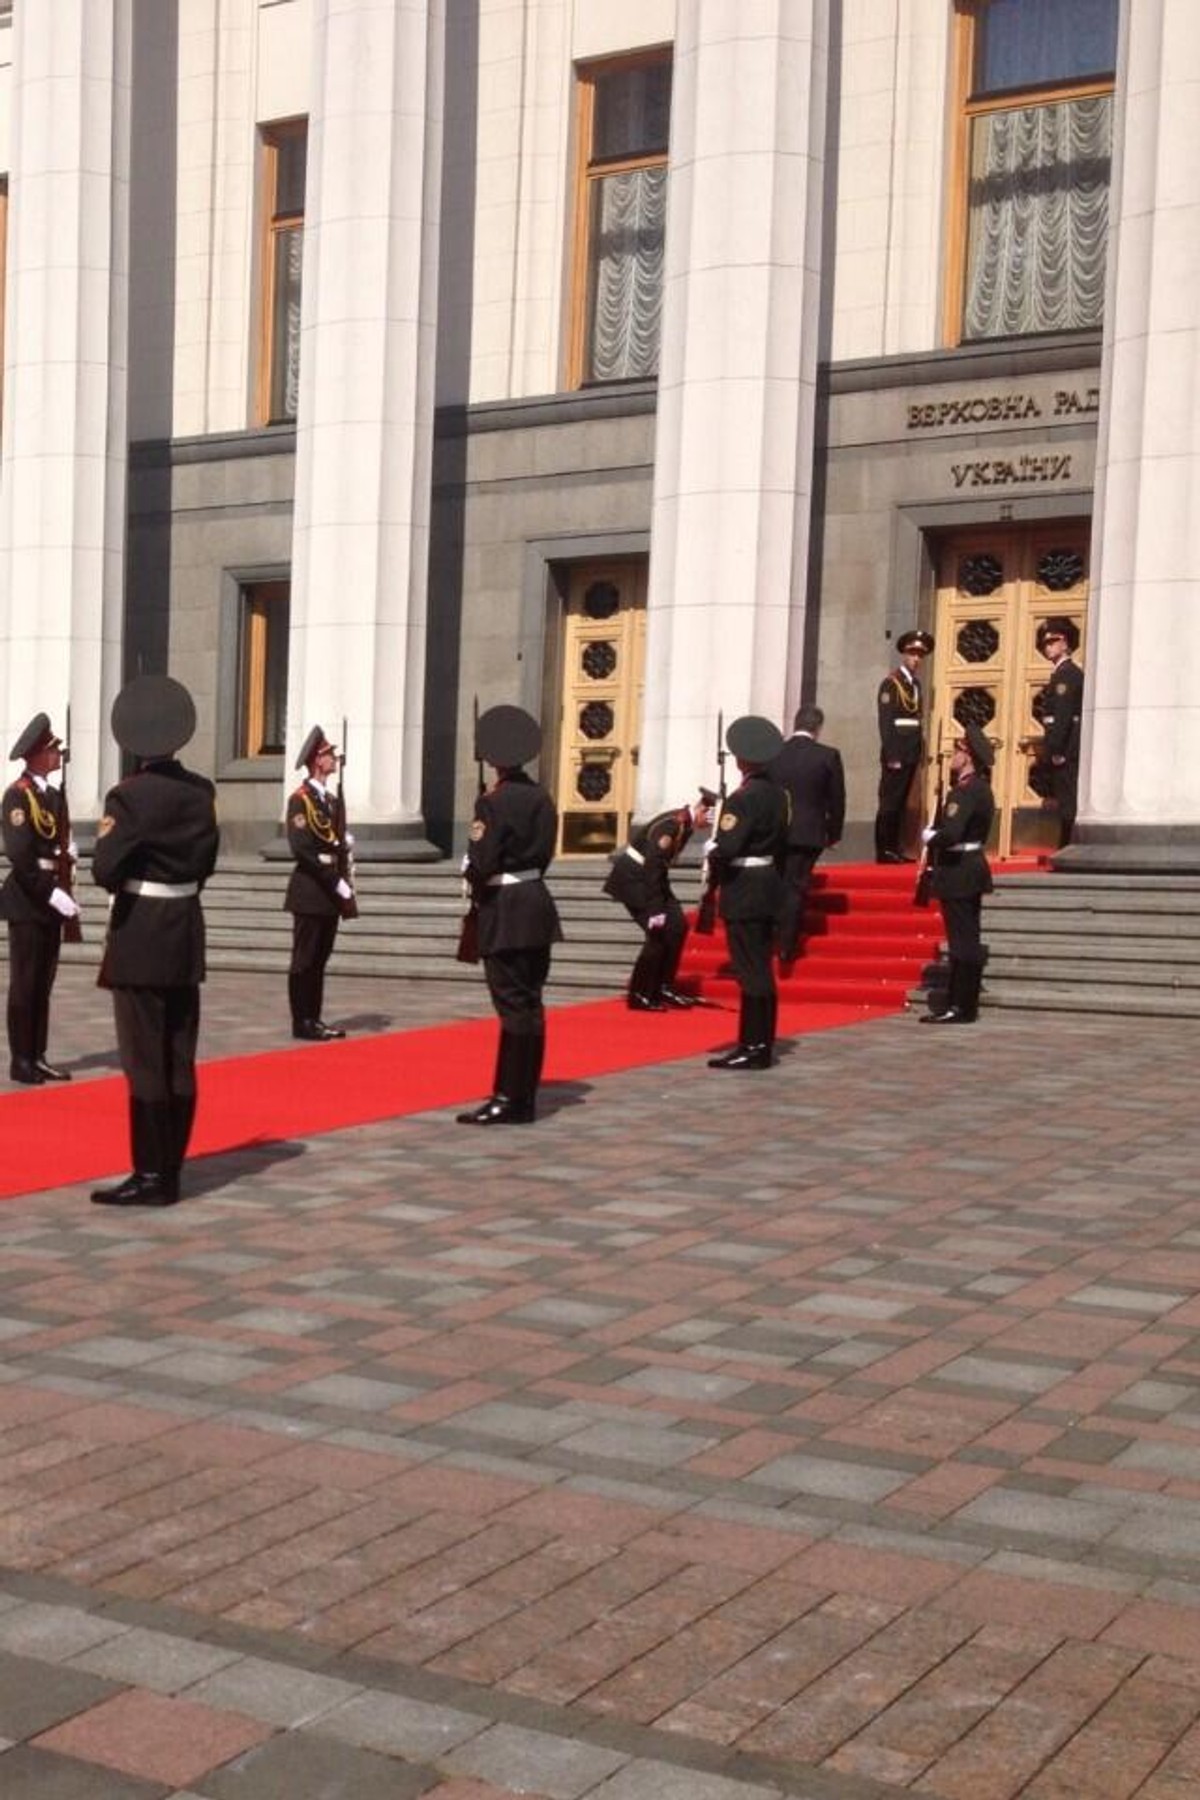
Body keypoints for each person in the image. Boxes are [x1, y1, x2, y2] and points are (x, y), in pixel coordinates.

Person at [90, 675, 220, 1205]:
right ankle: (172, 1168)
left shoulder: (129, 796)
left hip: (141, 931)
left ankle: (149, 1176)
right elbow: (206, 861)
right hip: (185, 927)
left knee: (144, 1060)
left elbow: (104, 868)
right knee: (178, 1054)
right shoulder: (201, 792)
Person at [457, 704, 562, 1125]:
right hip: (536, 903)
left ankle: (509, 1098)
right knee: (531, 1003)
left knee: (513, 1005)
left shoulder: (493, 803)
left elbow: (482, 861)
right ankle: (524, 1094)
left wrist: (473, 872)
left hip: (506, 910)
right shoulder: (541, 797)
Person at [706, 715, 790, 1071]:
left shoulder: (743, 798)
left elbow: (729, 845)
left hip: (745, 888)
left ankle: (753, 1045)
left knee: (749, 969)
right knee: (761, 969)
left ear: (741, 759)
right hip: (769, 883)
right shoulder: (778, 795)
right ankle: (762, 1041)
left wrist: (714, 846)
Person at [1, 713, 80, 1084]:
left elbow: (55, 844)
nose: (57, 755)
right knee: (25, 982)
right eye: (52, 750)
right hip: (29, 900)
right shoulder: (18, 795)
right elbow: (20, 854)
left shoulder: (52, 795)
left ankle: (38, 1053)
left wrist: (68, 854)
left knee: (43, 981)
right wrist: (51, 893)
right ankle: (21, 1059)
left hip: (50, 898)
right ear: (35, 754)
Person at [603, 788, 714, 1010]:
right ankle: (640, 993)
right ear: (701, 810)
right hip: (635, 880)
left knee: (678, 926)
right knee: (657, 935)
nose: (709, 826)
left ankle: (664, 986)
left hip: (653, 879)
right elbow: (652, 866)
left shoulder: (684, 823)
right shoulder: (673, 825)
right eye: (709, 819)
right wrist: (656, 909)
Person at [919, 720, 994, 1026]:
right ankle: (963, 1002)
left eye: (957, 750)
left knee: (962, 941)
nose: (952, 755)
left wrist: (930, 837)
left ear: (968, 755)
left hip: (959, 871)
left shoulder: (963, 793)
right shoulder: (982, 789)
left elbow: (951, 834)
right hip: (972, 867)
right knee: (968, 937)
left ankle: (960, 1006)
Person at [285, 724, 355, 1041]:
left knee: (320, 959)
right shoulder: (300, 800)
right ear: (317, 760)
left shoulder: (330, 800)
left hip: (328, 890)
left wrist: (343, 849)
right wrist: (333, 879)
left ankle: (314, 1018)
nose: (334, 758)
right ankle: (302, 1021)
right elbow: (302, 849)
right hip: (311, 889)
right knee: (305, 960)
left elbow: (332, 841)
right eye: (328, 754)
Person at [769, 703, 845, 965]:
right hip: (809, 831)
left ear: (796, 723)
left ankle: (775, 934)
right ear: (818, 728)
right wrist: (833, 833)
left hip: (777, 831)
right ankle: (786, 944)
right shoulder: (828, 755)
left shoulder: (775, 754)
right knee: (796, 885)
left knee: (780, 881)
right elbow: (837, 799)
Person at [875, 628, 934, 863]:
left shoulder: (915, 685)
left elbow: (915, 721)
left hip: (911, 752)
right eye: (912, 654)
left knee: (903, 804)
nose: (917, 659)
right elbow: (886, 721)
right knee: (890, 802)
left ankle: (898, 847)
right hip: (897, 752)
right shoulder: (891, 684)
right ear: (904, 654)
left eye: (920, 655)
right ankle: (884, 849)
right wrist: (892, 753)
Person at [1033, 616, 1084, 848]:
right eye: (1045, 643)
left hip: (1065, 747)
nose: (1048, 646)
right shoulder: (1061, 673)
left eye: (1054, 640)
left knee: (1067, 800)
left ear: (1066, 644)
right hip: (1064, 745)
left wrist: (1055, 749)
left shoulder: (1067, 674)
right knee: (1064, 799)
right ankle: (1065, 844)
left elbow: (1062, 717)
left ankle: (1067, 845)